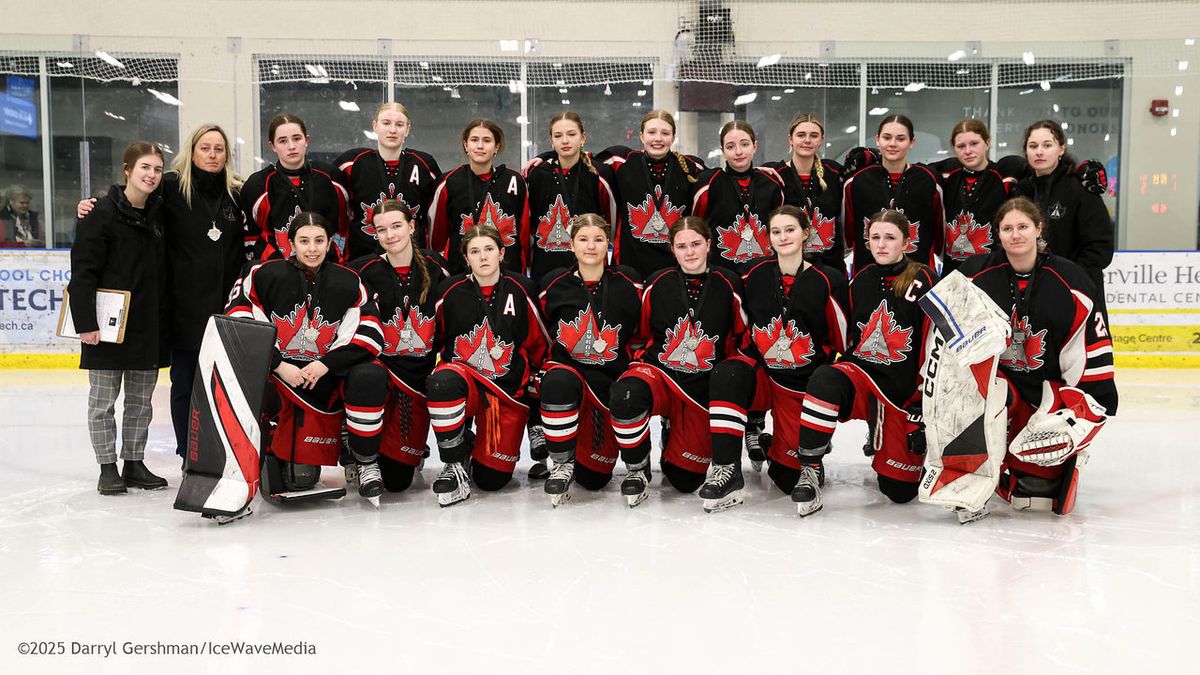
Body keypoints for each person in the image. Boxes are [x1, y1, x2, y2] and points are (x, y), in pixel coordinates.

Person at [78, 124, 251, 467]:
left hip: (228, 308)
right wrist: (94, 205)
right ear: (193, 151)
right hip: (182, 309)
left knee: (225, 385)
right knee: (185, 384)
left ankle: (225, 450)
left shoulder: (236, 192)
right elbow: (130, 203)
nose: (213, 154)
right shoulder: (171, 188)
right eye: (205, 148)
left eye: (219, 149)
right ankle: (190, 452)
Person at [956, 197, 1117, 515]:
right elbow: (948, 342)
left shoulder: (1071, 280)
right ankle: (970, 463)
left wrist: (1077, 410)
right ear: (997, 234)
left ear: (1038, 229)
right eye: (1007, 228)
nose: (1015, 235)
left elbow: (1085, 351)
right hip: (994, 389)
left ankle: (1033, 464)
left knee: (1034, 495)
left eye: (1022, 227)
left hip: (1045, 396)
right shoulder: (974, 275)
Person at [225, 212, 388, 503]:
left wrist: (327, 364)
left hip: (324, 377)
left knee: (370, 374)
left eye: (318, 241)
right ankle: (242, 461)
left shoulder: (349, 280)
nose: (312, 248)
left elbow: (371, 333)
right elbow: (238, 320)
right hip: (277, 377)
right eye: (304, 241)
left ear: (329, 244)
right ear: (291, 244)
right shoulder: (261, 274)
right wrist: (277, 365)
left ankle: (364, 460)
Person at [699, 205, 849, 511]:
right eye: (776, 231)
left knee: (786, 479)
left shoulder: (828, 279)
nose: (783, 237)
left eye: (790, 230)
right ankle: (727, 468)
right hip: (765, 376)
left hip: (802, 384)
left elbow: (841, 341)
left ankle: (800, 453)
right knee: (727, 373)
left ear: (806, 233)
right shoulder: (753, 273)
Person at [792, 210, 935, 516]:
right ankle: (810, 467)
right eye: (875, 238)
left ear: (906, 242)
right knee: (824, 378)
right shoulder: (859, 280)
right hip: (863, 377)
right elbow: (846, 336)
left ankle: (885, 434)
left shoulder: (923, 280)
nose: (882, 244)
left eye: (890, 238)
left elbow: (931, 344)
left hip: (901, 394)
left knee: (898, 492)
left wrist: (923, 401)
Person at [609, 217, 748, 507]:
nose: (690, 252)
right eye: (681, 246)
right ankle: (637, 467)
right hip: (661, 375)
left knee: (684, 481)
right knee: (626, 394)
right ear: (672, 249)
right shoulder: (657, 283)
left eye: (696, 244)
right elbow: (642, 335)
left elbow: (740, 337)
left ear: (709, 245)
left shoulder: (729, 283)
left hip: (702, 387)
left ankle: (676, 432)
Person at [68, 141, 169, 495]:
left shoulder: (160, 212)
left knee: (140, 403)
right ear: (127, 170)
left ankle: (134, 463)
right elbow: (82, 272)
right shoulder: (100, 213)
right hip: (107, 325)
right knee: (103, 402)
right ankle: (107, 467)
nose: (151, 175)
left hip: (147, 326)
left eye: (157, 169)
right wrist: (86, 324)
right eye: (145, 168)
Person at [426, 224, 549, 506]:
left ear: (502, 253)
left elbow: (539, 344)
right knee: (443, 381)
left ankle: (470, 446)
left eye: (489, 249)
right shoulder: (449, 291)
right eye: (475, 251)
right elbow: (436, 340)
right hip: (464, 381)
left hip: (504, 391)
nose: (483, 257)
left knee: (491, 481)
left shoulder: (522, 289)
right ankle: (454, 465)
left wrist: (535, 409)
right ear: (466, 258)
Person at [537, 214, 643, 506]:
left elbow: (639, 331)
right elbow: (545, 332)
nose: (591, 246)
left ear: (608, 243)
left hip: (611, 382)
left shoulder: (629, 283)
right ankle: (561, 463)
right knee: (556, 382)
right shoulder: (552, 285)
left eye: (598, 239)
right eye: (583, 239)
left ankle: (637, 465)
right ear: (571, 245)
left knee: (594, 479)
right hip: (570, 375)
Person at [351, 200, 449, 492]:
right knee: (365, 377)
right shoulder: (363, 270)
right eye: (382, 230)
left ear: (411, 226)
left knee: (396, 482)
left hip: (417, 382)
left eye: (396, 226)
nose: (390, 235)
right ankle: (359, 453)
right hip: (381, 378)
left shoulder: (436, 267)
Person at [1013, 120, 1114, 294]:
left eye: (1047, 145)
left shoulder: (1081, 188)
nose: (1039, 151)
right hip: (1032, 289)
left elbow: (1100, 248)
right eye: (1033, 146)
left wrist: (1070, 278)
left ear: (1061, 149)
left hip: (1076, 290)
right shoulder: (1021, 192)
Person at [337, 103, 441, 260]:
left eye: (399, 125)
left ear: (407, 129)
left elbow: (434, 214)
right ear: (375, 126)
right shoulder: (352, 163)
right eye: (386, 123)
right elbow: (339, 209)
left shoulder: (424, 165)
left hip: (414, 260)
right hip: (363, 258)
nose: (392, 130)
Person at [242, 113, 351, 262]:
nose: (291, 146)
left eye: (297, 138)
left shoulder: (331, 178)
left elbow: (343, 227)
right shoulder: (257, 186)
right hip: (279, 272)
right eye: (282, 141)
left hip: (326, 268)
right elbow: (252, 236)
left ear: (306, 140)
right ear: (272, 146)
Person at [428, 119, 530, 275]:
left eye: (487, 140)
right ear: (466, 145)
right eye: (474, 140)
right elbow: (437, 237)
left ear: (497, 146)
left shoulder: (515, 182)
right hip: (461, 274)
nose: (480, 146)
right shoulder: (448, 182)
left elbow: (524, 233)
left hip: (509, 273)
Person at [842, 115, 944, 272]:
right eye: (887, 137)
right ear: (877, 140)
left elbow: (939, 234)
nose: (892, 144)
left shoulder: (929, 181)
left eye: (901, 138)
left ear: (912, 142)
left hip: (917, 275)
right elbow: (848, 233)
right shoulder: (857, 181)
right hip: (869, 275)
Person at [526, 112, 618, 280]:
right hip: (545, 266)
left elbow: (611, 221)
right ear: (551, 141)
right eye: (558, 136)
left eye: (571, 134)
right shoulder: (537, 175)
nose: (565, 141)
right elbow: (530, 224)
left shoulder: (599, 174)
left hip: (589, 266)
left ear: (583, 138)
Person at [611, 110, 703, 277]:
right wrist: (549, 156)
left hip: (674, 267)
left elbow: (728, 175)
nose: (658, 139)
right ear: (641, 136)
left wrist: (764, 169)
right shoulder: (622, 163)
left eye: (665, 133)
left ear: (673, 137)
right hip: (631, 265)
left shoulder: (690, 168)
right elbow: (582, 160)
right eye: (651, 132)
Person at [692, 120, 784, 269]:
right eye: (730, 146)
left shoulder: (771, 183)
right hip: (721, 273)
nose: (738, 152)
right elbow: (696, 229)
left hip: (764, 272)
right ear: (722, 150)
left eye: (745, 144)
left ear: (755, 146)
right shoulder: (708, 184)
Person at [764, 113, 846, 272]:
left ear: (821, 139)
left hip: (831, 266)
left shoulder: (834, 172)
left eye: (813, 135)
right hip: (788, 267)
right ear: (790, 139)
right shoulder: (775, 175)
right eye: (801, 135)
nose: (807, 140)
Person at [935, 119, 1013, 276]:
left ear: (987, 142)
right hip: (953, 270)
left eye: (974, 143)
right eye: (961, 146)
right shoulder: (947, 177)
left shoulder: (1002, 178)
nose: (968, 151)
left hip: (991, 269)